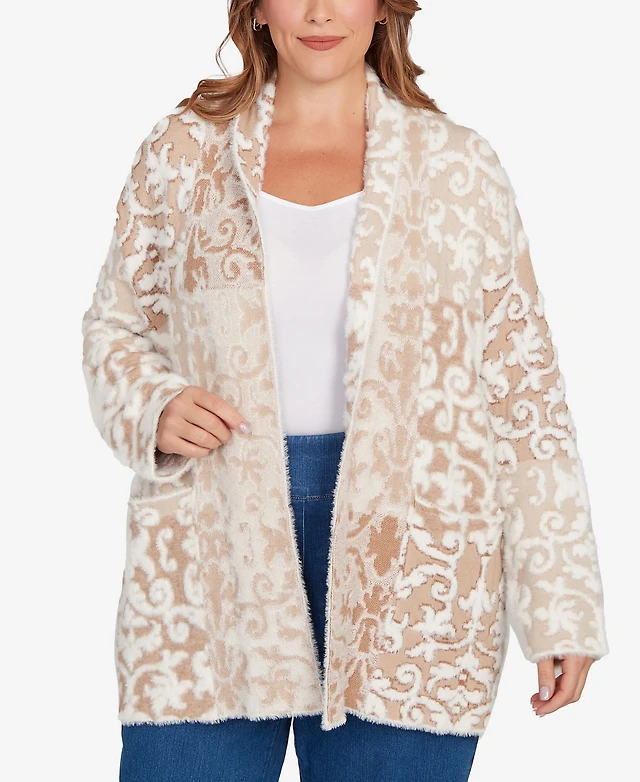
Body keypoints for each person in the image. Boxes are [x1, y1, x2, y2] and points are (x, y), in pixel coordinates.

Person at [80, 2, 609, 781]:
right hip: (210, 541)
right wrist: (152, 406)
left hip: (418, 554)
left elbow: (524, 390)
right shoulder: (182, 153)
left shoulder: (459, 167)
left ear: (385, 7)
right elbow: (114, 328)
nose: (321, 11)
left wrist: (560, 602)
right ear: (257, 10)